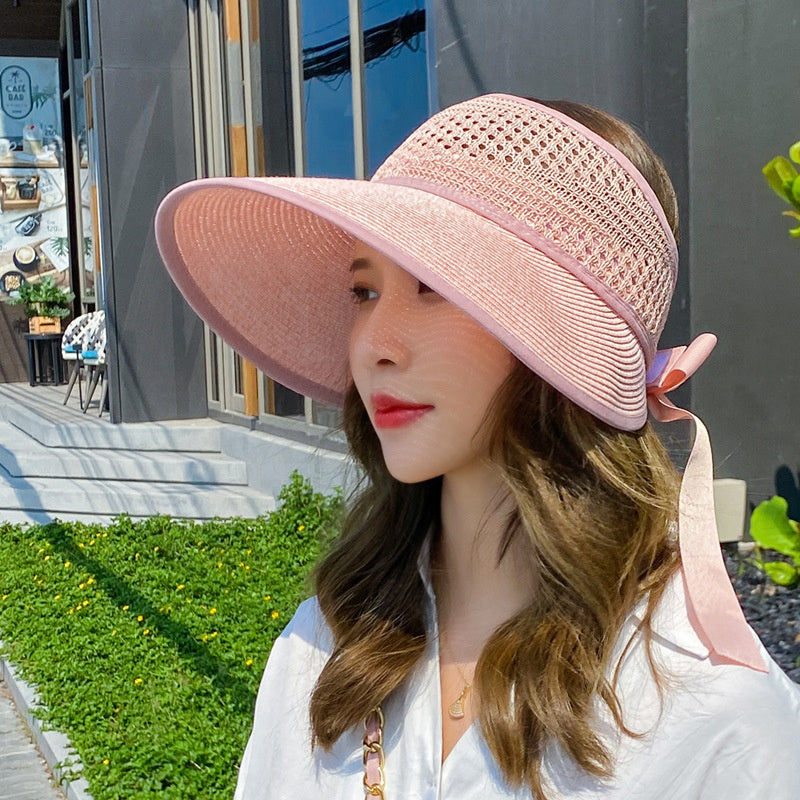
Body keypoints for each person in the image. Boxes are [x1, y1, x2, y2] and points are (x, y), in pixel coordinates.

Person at [154, 94, 800, 799]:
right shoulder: (328, 642)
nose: (374, 346)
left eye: (433, 286)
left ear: (560, 343)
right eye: (364, 291)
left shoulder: (703, 709)